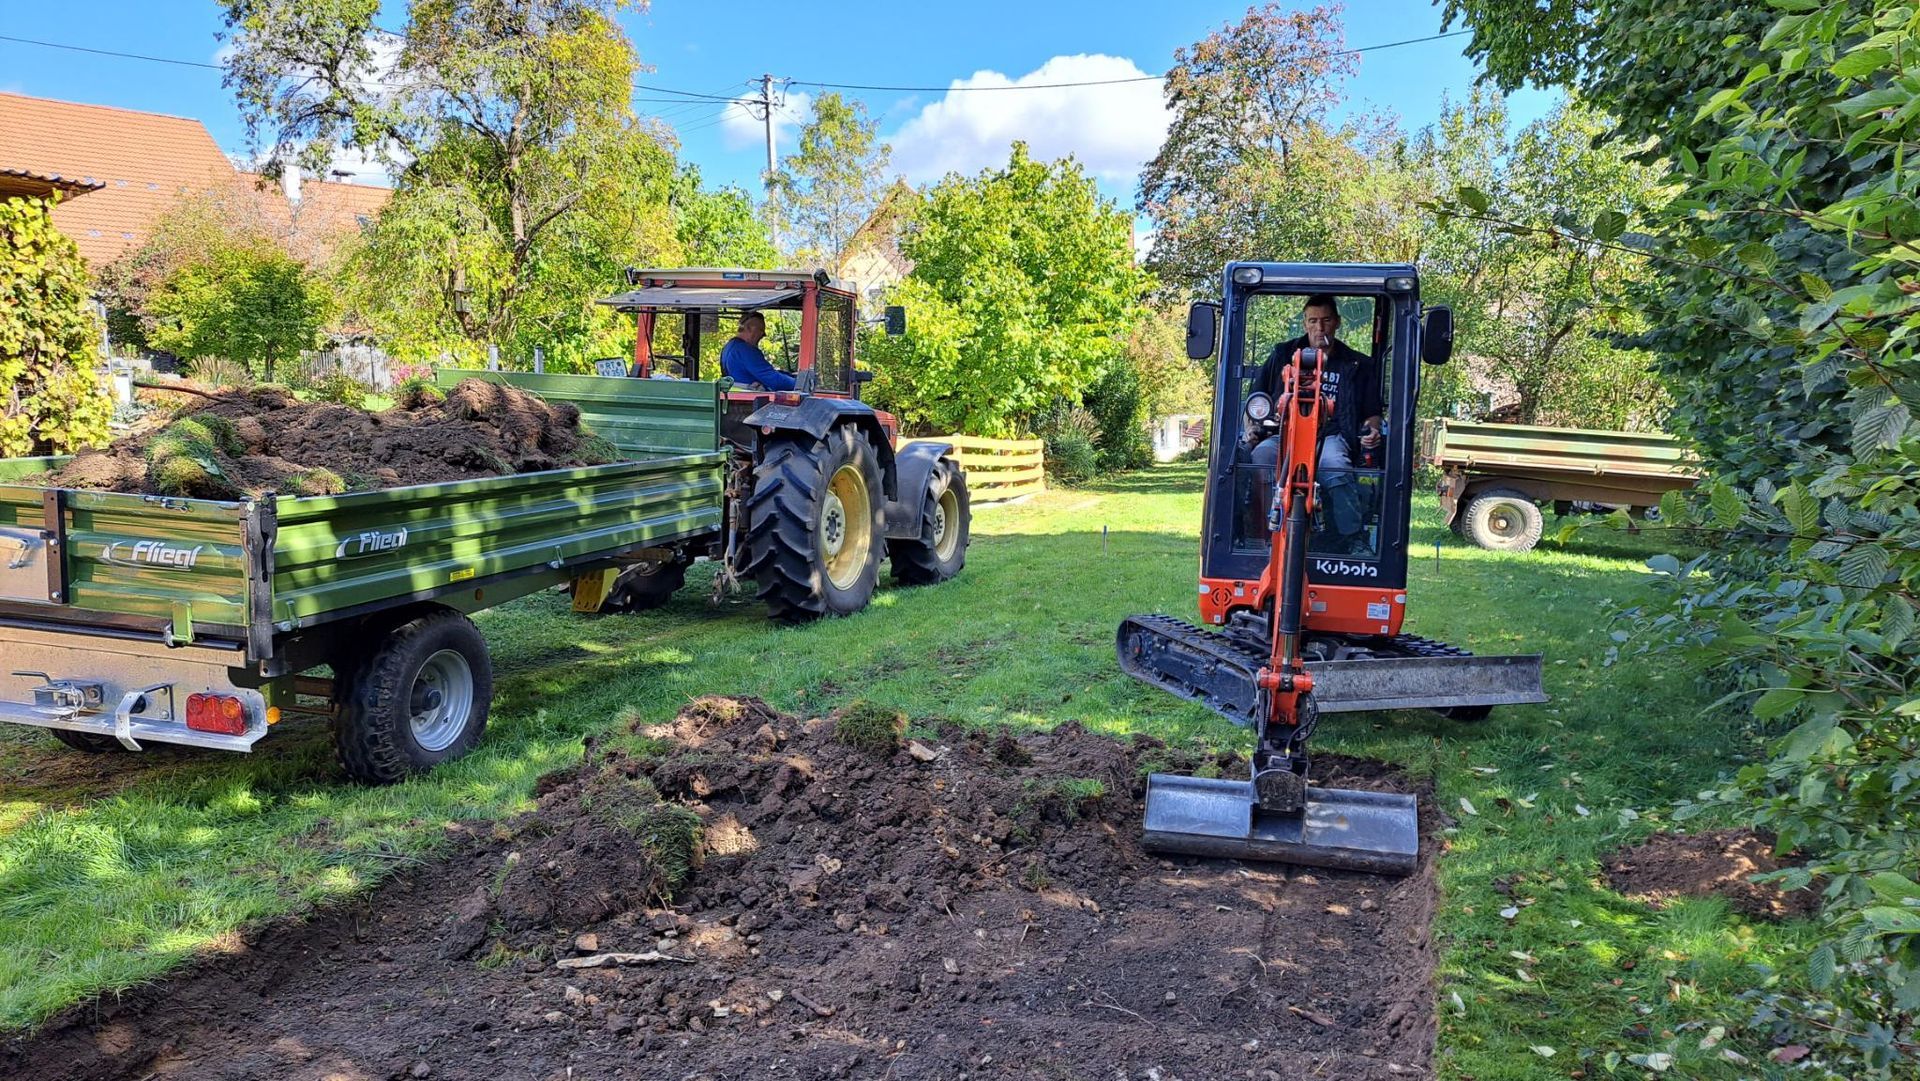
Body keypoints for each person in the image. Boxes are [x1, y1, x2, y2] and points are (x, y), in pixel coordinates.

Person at [1247, 295, 1383, 551]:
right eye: (1313, 321)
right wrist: (1251, 428)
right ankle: (1263, 536)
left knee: (1336, 468)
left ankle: (1352, 538)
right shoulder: (1282, 355)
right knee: (1261, 457)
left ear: (1337, 322)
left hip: (1331, 436)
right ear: (1305, 324)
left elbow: (1372, 412)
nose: (1320, 328)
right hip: (1284, 434)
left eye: (1326, 320)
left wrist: (1372, 429)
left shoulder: (1357, 364)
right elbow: (1256, 400)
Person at [719, 312, 796, 391]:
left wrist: (790, 375)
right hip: (752, 397)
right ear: (748, 328)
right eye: (761, 330)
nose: (763, 335)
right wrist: (799, 383)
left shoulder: (730, 347)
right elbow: (774, 380)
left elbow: (766, 372)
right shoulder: (746, 350)